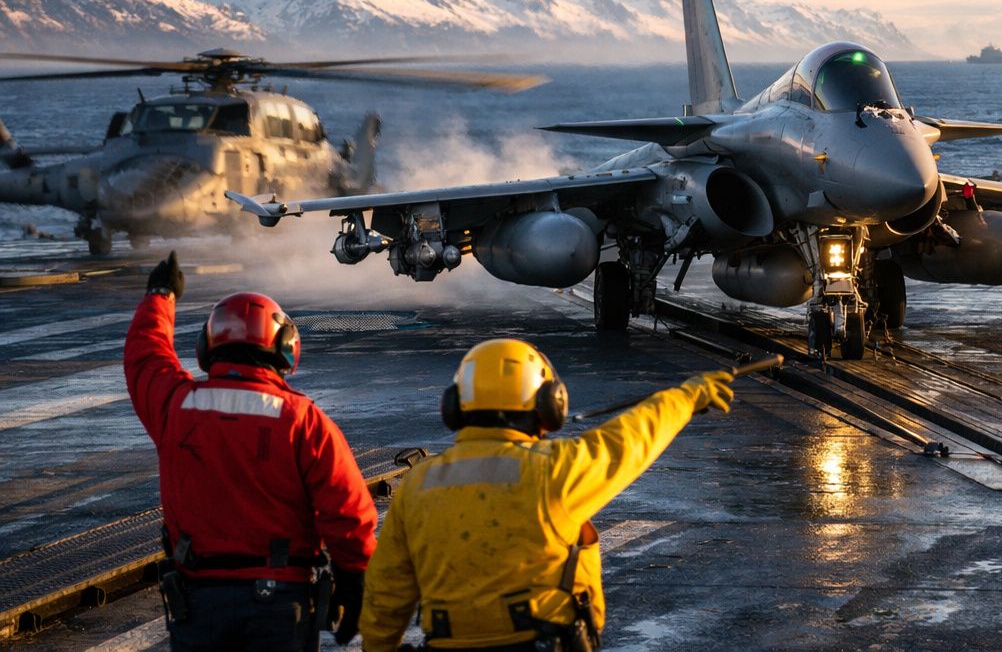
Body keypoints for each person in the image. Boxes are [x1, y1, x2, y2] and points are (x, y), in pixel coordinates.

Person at [360, 339, 737, 651]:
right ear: (548, 406)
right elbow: (630, 438)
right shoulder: (553, 470)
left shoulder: (419, 484)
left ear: (456, 406)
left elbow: (385, 592)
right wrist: (686, 397)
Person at [124, 252, 376, 651]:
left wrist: (160, 295)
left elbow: (145, 355)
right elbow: (347, 510)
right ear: (285, 347)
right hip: (279, 605)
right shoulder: (303, 420)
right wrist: (354, 578)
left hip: (199, 602)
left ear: (208, 345)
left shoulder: (176, 405)